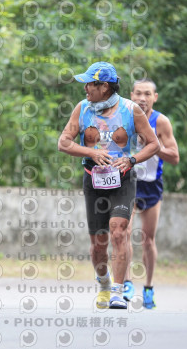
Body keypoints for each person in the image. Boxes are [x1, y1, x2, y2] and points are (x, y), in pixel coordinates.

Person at [58, 62, 160, 309]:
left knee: (119, 231)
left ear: (104, 87)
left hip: (123, 180)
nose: (85, 88)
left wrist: (132, 160)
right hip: (93, 180)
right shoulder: (82, 108)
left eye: (89, 84)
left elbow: (153, 144)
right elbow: (64, 142)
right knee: (98, 244)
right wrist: (91, 153)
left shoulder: (131, 110)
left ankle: (117, 291)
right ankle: (104, 282)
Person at [121, 79, 180, 309]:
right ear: (131, 95)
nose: (142, 98)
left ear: (155, 97)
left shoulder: (161, 122)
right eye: (138, 93)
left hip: (151, 185)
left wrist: (153, 145)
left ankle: (148, 287)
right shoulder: (122, 118)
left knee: (148, 240)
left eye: (147, 94)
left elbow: (174, 157)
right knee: (124, 232)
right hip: (128, 182)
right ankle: (126, 283)